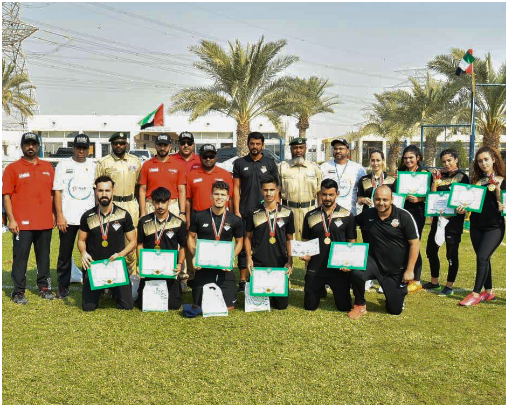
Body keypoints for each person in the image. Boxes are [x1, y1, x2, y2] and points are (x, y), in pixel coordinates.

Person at [349, 186, 421, 319]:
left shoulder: (403, 216)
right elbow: (349, 221)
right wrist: (350, 244)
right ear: (373, 199)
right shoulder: (368, 214)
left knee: (394, 310)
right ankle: (360, 305)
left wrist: (410, 270)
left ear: (392, 199)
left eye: (385, 200)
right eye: (377, 199)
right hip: (374, 262)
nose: (381, 203)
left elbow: (415, 243)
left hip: (395, 269)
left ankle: (398, 295)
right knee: (356, 271)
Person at [2, 132, 56, 304]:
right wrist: (11, 219)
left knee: (44, 257)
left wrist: (54, 214)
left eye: (33, 144)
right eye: (27, 144)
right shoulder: (12, 169)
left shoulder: (48, 168)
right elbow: (6, 196)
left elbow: (54, 194)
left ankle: (44, 287)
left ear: (38, 146)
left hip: (44, 222)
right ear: (22, 146)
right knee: (20, 259)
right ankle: (18, 292)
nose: (30, 147)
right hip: (22, 224)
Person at [78, 176, 137, 311]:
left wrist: (120, 254)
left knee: (127, 306)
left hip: (116, 266)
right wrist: (83, 253)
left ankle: (112, 290)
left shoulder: (123, 214)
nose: (104, 194)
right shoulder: (87, 216)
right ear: (95, 192)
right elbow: (81, 240)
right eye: (100, 191)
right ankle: (102, 290)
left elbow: (133, 241)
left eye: (107, 190)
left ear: (113, 191)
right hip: (95, 267)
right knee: (88, 307)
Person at [457, 147, 506, 307]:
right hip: (476, 226)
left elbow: (503, 205)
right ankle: (489, 291)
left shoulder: (503, 179)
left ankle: (476, 293)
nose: (483, 163)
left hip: (494, 227)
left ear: (493, 159)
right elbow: (471, 203)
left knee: (482, 257)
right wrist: (463, 208)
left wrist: (498, 191)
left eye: (486, 159)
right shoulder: (476, 182)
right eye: (480, 160)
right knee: (484, 258)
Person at [301, 179, 357, 312]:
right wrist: (304, 253)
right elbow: (305, 240)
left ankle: (333, 290)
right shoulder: (310, 215)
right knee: (310, 306)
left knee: (344, 307)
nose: (327, 198)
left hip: (338, 269)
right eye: (324, 194)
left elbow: (351, 241)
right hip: (316, 268)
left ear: (337, 194)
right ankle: (319, 289)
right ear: (320, 194)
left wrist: (348, 263)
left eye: (331, 194)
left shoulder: (347, 215)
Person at [233, 132, 278, 292]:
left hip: (265, 212)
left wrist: (276, 209)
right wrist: (237, 210)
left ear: (262, 145)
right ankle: (243, 280)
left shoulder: (270, 163)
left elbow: (275, 188)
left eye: (258, 144)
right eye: (252, 143)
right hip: (245, 212)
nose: (255, 146)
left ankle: (263, 277)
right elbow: (236, 188)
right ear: (248, 144)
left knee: (263, 244)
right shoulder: (239, 163)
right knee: (246, 244)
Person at [188, 181, 244, 310]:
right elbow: (190, 237)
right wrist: (195, 254)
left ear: (228, 198)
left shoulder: (235, 220)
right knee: (200, 305)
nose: (219, 197)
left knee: (229, 306)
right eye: (216, 194)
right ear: (211, 196)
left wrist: (231, 257)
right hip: (203, 265)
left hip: (224, 266)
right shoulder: (199, 216)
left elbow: (239, 242)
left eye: (223, 195)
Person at [53, 134, 96, 299]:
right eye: (78, 147)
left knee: (89, 252)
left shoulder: (94, 165)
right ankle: (63, 286)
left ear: (88, 149)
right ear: (73, 147)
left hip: (89, 219)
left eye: (84, 148)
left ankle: (90, 282)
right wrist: (60, 216)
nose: (81, 151)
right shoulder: (63, 164)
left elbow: (97, 191)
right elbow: (57, 191)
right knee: (65, 253)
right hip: (68, 218)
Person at [245, 175, 294, 310]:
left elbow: (290, 239)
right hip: (259, 263)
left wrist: (290, 261)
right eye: (265, 190)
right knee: (257, 305)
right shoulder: (253, 212)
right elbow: (247, 237)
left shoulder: (287, 212)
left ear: (277, 190)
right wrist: (249, 258)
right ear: (261, 191)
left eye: (272, 190)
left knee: (281, 306)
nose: (268, 193)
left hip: (279, 263)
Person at [95, 132, 141, 275]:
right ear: (111, 145)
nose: (119, 146)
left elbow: (139, 186)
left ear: (126, 144)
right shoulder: (104, 162)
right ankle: (109, 276)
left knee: (131, 241)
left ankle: (132, 276)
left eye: (121, 143)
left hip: (131, 204)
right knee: (110, 239)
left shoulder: (135, 161)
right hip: (112, 205)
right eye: (115, 143)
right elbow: (96, 188)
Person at [424, 149, 469, 295]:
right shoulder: (439, 176)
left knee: (451, 254)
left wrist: (461, 210)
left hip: (453, 222)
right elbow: (433, 195)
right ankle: (434, 282)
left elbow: (464, 200)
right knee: (431, 250)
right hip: (438, 220)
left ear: (456, 159)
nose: (446, 163)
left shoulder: (462, 177)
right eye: (443, 161)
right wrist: (435, 180)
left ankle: (449, 286)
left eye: (449, 160)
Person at [136, 187, 187, 310]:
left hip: (169, 271)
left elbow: (183, 247)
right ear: (152, 202)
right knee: (142, 304)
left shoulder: (178, 222)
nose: (160, 206)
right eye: (157, 202)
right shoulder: (143, 221)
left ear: (169, 202)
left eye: (163, 202)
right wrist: (141, 264)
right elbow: (139, 245)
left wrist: (179, 264)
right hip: (150, 269)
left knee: (173, 305)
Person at [357, 149, 397, 293]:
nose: (375, 163)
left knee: (385, 249)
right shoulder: (364, 180)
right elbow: (359, 198)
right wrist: (362, 200)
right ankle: (368, 278)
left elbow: (396, 200)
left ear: (383, 161)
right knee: (368, 248)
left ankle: (384, 280)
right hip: (368, 219)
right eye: (372, 160)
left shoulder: (392, 179)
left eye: (378, 160)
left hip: (386, 220)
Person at [395, 145, 427, 293]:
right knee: (402, 244)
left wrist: (420, 199)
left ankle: (416, 279)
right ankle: (403, 274)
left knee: (414, 243)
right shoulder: (401, 174)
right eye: (405, 158)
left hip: (417, 213)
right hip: (401, 212)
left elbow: (431, 196)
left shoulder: (424, 174)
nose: (408, 160)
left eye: (411, 158)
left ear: (418, 158)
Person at [278, 137, 322, 241]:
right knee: (288, 242)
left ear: (305, 148)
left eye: (301, 148)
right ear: (291, 149)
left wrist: (320, 210)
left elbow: (319, 191)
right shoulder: (282, 167)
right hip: (288, 210)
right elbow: (277, 191)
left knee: (310, 242)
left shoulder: (314, 168)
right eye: (295, 148)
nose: (298, 151)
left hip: (309, 210)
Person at [139, 133, 186, 219]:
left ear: (170, 146)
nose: (162, 148)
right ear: (155, 146)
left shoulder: (178, 165)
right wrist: (142, 211)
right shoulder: (147, 165)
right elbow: (142, 190)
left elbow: (181, 190)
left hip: (171, 206)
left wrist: (182, 212)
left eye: (165, 145)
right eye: (160, 145)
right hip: (151, 206)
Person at [321, 138, 366, 215]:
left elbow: (364, 191)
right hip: (329, 213)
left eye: (341, 148)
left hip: (350, 214)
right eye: (335, 149)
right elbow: (319, 192)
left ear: (347, 151)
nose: (338, 151)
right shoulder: (324, 167)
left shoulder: (358, 168)